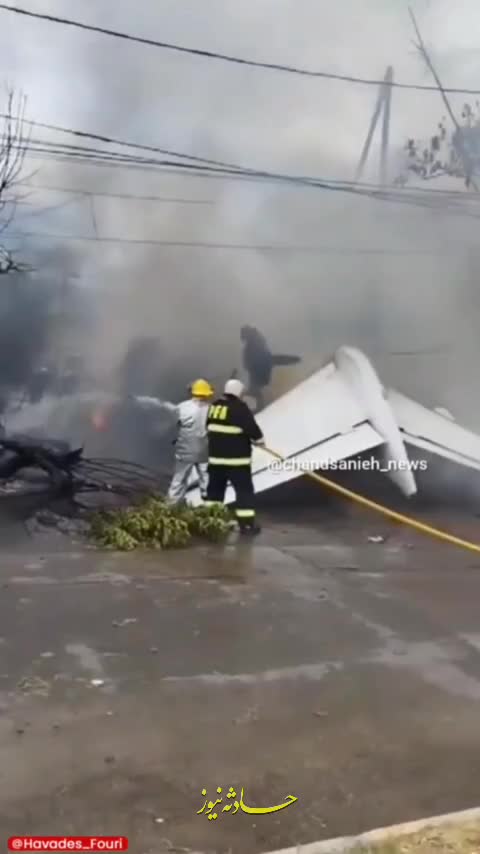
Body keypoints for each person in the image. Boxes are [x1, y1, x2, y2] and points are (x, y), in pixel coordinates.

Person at [134, 378, 214, 503]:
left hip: (185, 451)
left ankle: (171, 504)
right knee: (206, 476)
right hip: (204, 451)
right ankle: (210, 501)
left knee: (179, 480)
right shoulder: (211, 409)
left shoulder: (182, 408)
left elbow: (173, 424)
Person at [205, 378, 264, 535]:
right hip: (236, 462)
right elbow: (253, 430)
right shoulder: (239, 408)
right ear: (239, 392)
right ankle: (246, 525)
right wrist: (259, 440)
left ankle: (211, 521)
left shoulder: (215, 406)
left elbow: (209, 427)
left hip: (216, 460)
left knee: (215, 492)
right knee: (244, 492)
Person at [240, 325, 301, 411]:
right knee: (253, 397)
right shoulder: (256, 343)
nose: (242, 340)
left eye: (243, 336)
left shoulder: (252, 346)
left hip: (259, 379)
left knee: (253, 398)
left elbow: (253, 363)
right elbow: (271, 359)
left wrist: (251, 365)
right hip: (260, 378)